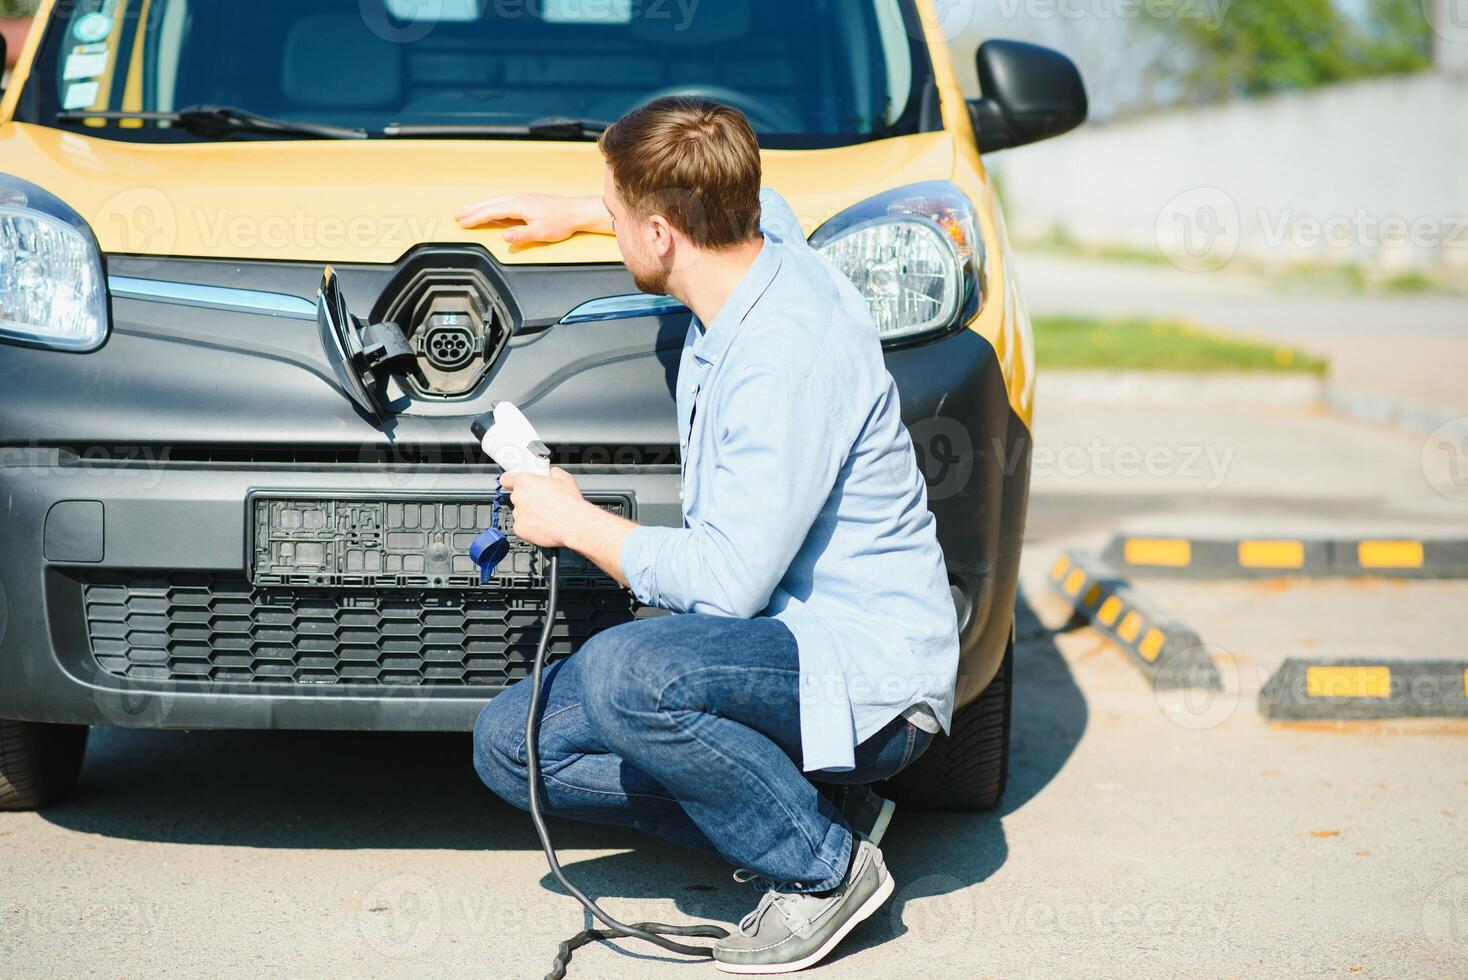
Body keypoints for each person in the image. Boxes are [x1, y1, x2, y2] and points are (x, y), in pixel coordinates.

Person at [456, 97, 959, 974]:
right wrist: (585, 212)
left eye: (616, 217)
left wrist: (571, 522)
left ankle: (823, 868)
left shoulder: (783, 359)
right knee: (511, 746)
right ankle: (808, 813)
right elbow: (771, 203)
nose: (607, 229)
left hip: (868, 677)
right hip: (787, 651)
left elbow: (728, 583)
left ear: (661, 235)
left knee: (626, 674)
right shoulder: (761, 248)